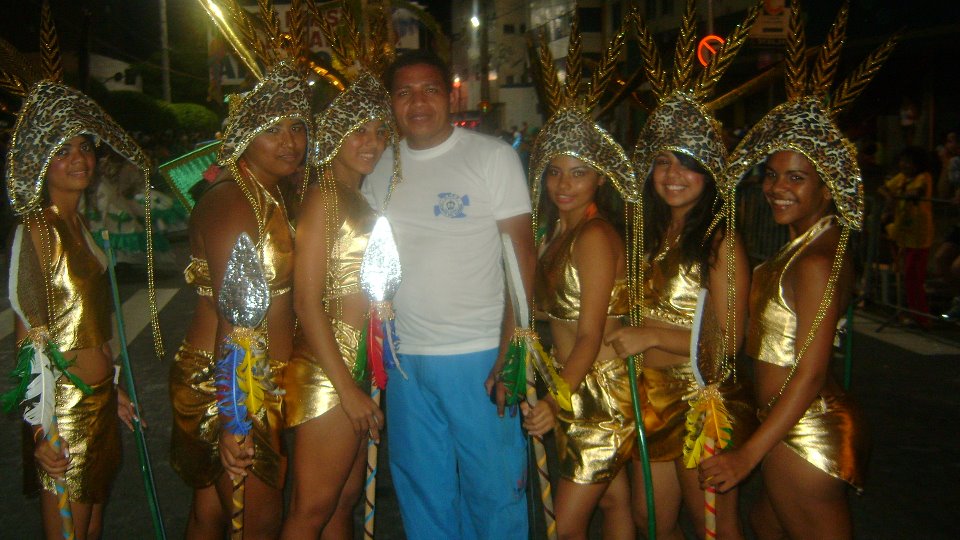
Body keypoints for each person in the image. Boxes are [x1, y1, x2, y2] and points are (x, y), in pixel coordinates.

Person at [699, 6, 895, 537]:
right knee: (764, 523)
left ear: (826, 188)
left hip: (804, 430)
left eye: (796, 178)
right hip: (786, 424)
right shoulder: (807, 246)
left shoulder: (815, 261)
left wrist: (747, 455)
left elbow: (808, 373)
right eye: (772, 175)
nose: (776, 188)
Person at [362, 50, 535, 539]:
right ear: (391, 103)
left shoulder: (491, 157)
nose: (418, 102)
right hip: (404, 361)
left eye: (430, 90)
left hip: (478, 355)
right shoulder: (378, 168)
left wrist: (512, 352)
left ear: (450, 96)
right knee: (423, 496)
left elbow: (522, 258)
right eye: (404, 92)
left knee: (495, 494)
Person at [1, 16, 160, 538]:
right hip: (63, 411)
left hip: (97, 401)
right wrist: (39, 430)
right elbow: (29, 337)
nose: (79, 160)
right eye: (63, 150)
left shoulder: (81, 225)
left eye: (85, 147)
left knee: (91, 527)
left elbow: (90, 321)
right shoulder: (39, 229)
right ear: (40, 160)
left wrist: (112, 388)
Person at [605, 5, 757, 538]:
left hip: (701, 401)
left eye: (688, 164)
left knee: (713, 526)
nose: (673, 175)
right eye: (664, 162)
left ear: (709, 172)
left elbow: (730, 343)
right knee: (651, 521)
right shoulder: (648, 234)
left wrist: (650, 335)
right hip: (649, 395)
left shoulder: (721, 242)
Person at [169, 61, 309, 539]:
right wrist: (235, 416)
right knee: (257, 520)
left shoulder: (265, 192)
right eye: (272, 129)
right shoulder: (233, 202)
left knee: (212, 513)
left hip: (253, 376)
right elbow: (237, 316)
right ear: (244, 134)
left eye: (297, 127)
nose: (290, 141)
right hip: (232, 378)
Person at [518, 25, 639, 539]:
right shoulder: (553, 233)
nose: (563, 185)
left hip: (597, 396)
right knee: (614, 502)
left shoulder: (594, 236)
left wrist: (554, 401)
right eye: (554, 172)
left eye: (578, 173)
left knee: (563, 525)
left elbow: (590, 334)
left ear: (600, 178)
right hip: (571, 385)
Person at [281, 48, 400, 537]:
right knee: (312, 507)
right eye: (358, 131)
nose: (372, 142)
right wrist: (347, 389)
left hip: (358, 361)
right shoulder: (323, 196)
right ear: (333, 133)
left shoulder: (356, 196)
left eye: (379, 131)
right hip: (328, 370)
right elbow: (305, 301)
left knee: (345, 498)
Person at [881, 146, 935, 326]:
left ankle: (922, 317)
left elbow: (916, 192)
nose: (904, 165)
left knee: (914, 275)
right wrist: (890, 197)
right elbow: (884, 188)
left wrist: (897, 196)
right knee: (907, 275)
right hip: (903, 233)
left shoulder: (923, 177)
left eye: (908, 162)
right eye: (902, 161)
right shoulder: (902, 178)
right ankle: (912, 313)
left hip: (919, 236)